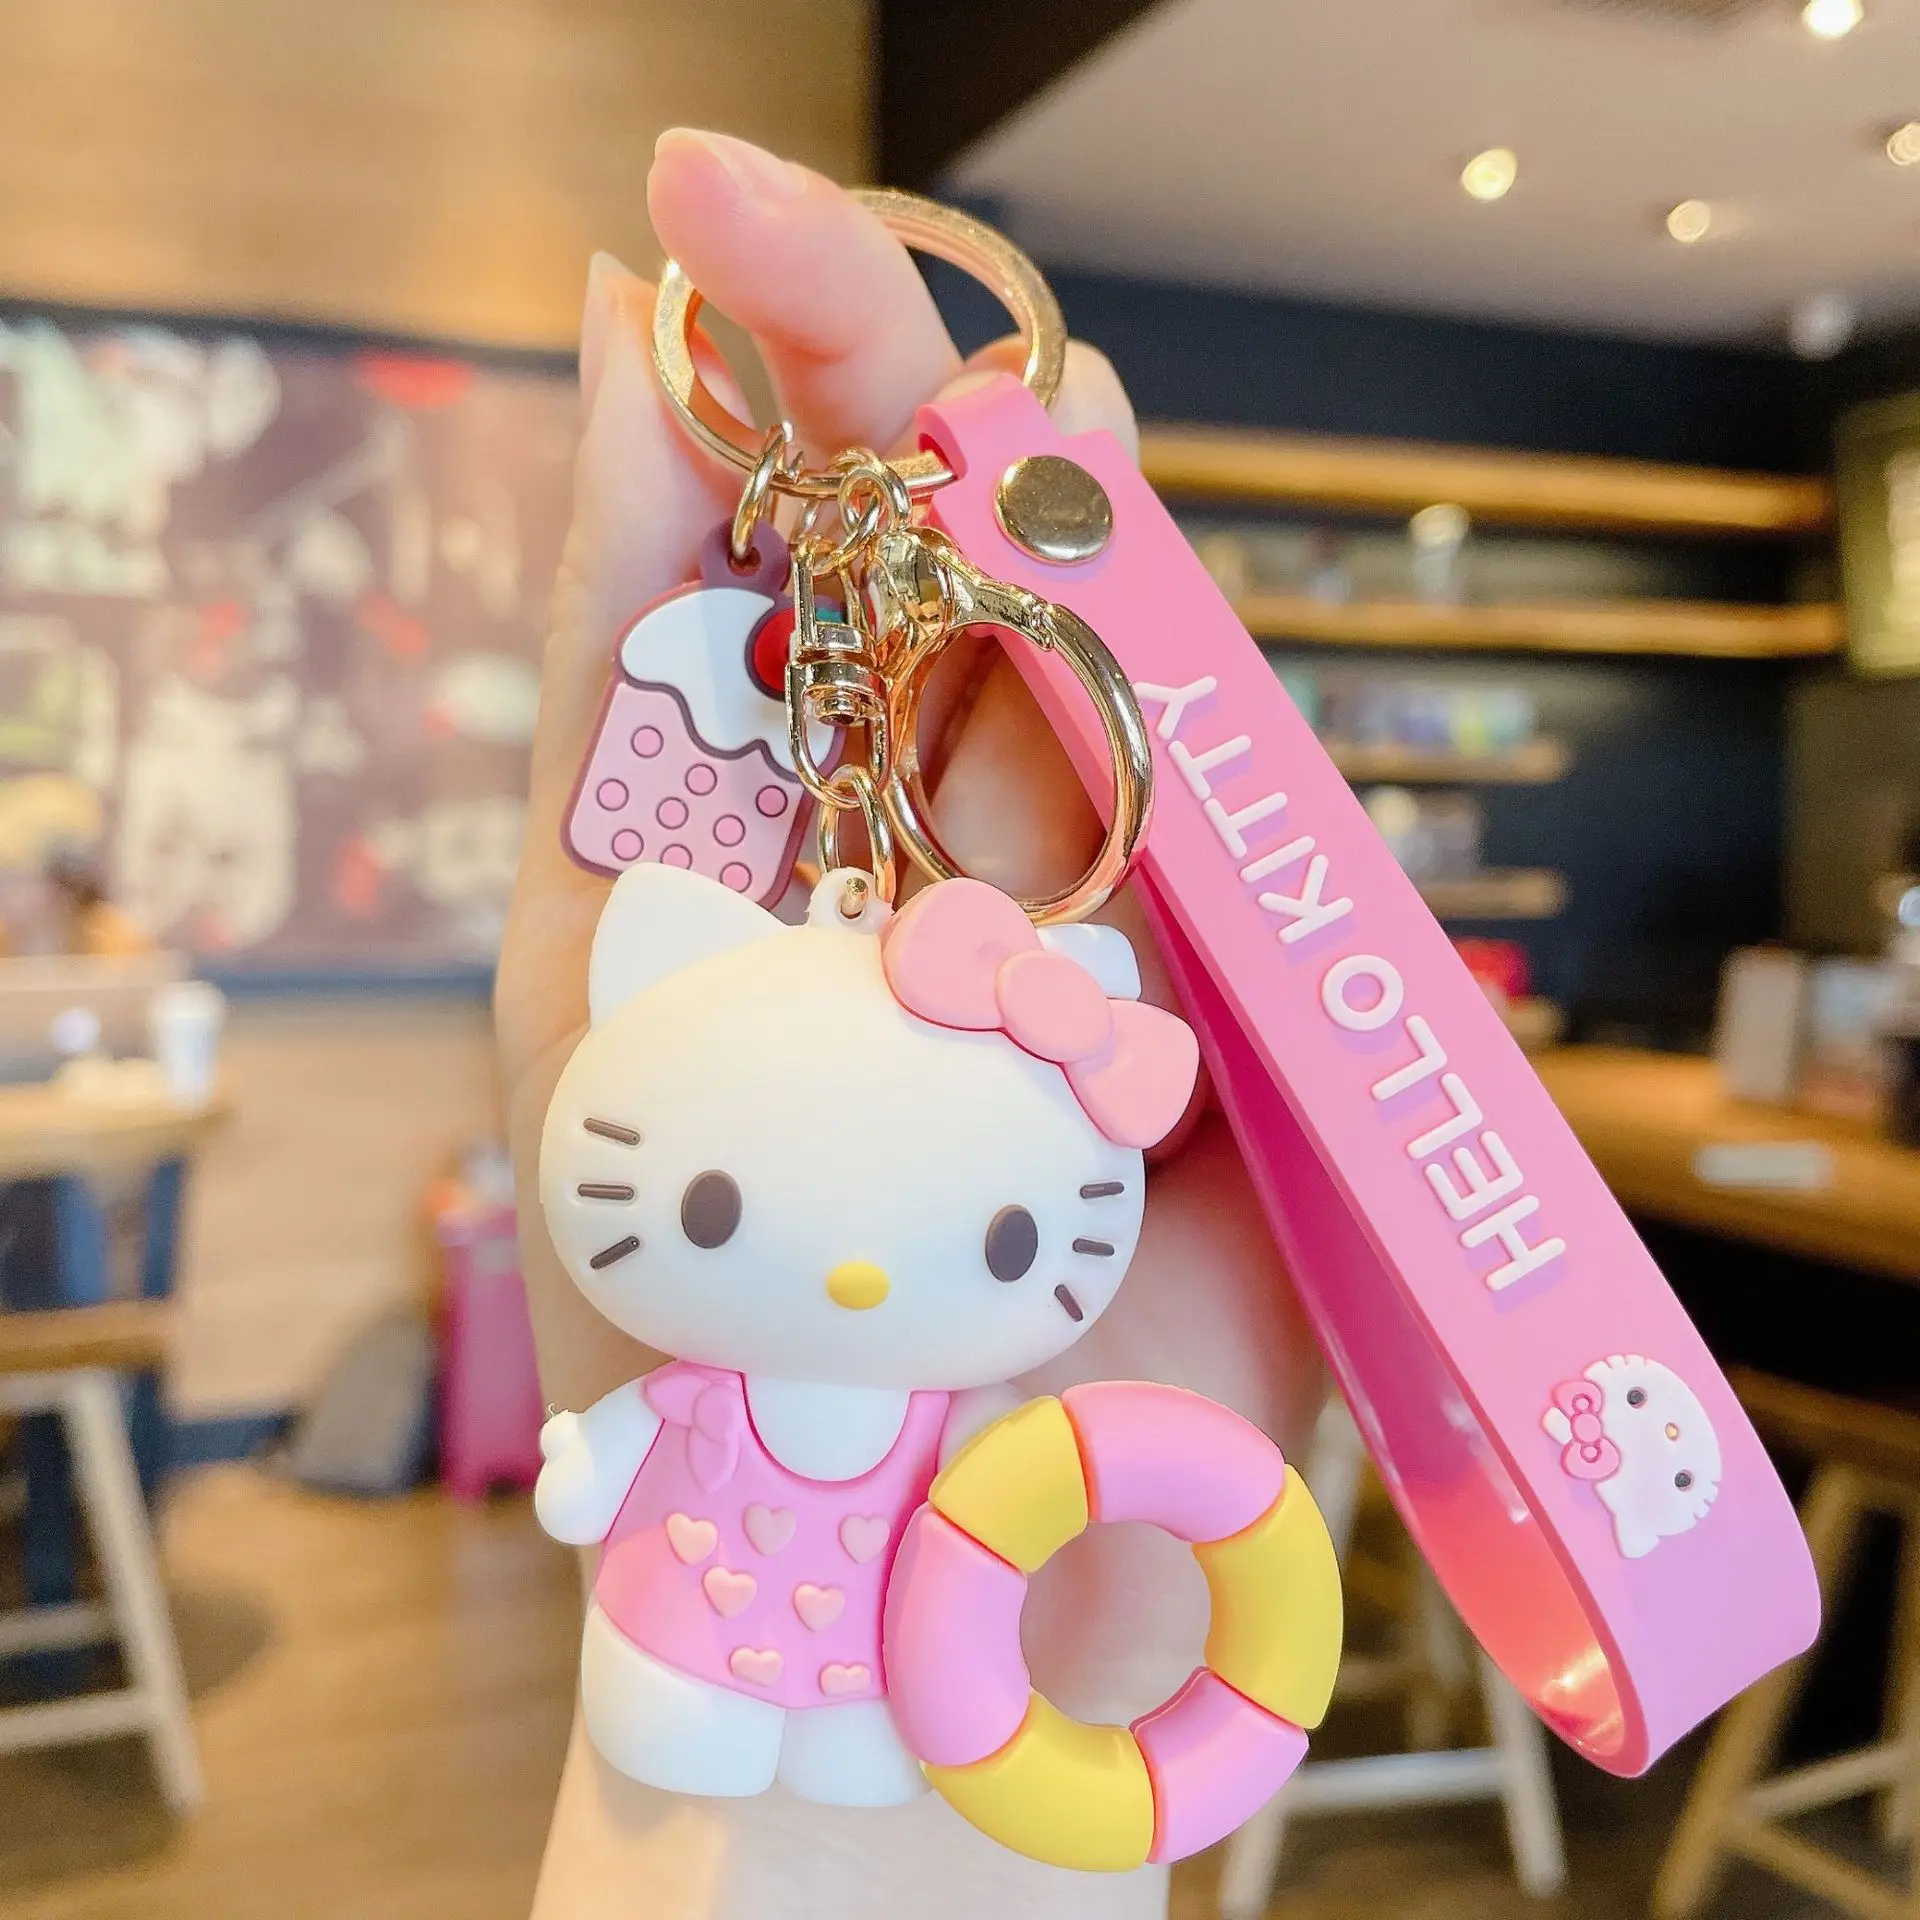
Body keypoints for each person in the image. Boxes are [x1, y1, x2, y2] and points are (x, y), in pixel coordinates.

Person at [494, 128, 1323, 1920]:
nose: (866, 1281)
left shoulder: (959, 1410)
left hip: (888, 1677)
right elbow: (634, 1445)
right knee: (692, 1701)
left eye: (1018, 1244)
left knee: (866, 1742)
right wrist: (592, 1455)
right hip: (687, 1633)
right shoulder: (710, 1348)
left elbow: (997, 1509)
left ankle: (843, 1771)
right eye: (710, 1206)